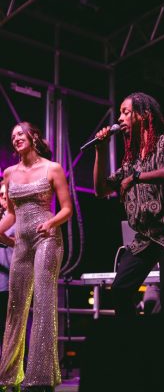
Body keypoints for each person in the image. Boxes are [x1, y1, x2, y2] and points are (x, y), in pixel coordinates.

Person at [93, 91, 164, 318]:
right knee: (120, 290)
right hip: (145, 237)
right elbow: (100, 190)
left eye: (126, 112)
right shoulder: (130, 160)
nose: (119, 118)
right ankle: (135, 344)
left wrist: (137, 177)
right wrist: (100, 150)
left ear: (144, 115)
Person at [0, 122, 73, 392]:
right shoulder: (9, 173)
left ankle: (40, 377)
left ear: (33, 137)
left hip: (47, 239)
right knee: (15, 306)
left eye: (21, 134)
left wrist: (51, 223)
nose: (16, 138)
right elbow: (11, 214)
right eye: (12, 136)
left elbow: (67, 209)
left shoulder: (52, 168)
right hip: (23, 243)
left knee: (43, 303)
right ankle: (8, 375)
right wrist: (2, 234)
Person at [0, 180, 15, 355]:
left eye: (6, 194)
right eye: (1, 194)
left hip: (10, 284)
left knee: (10, 330)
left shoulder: (17, 219)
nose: (3, 198)